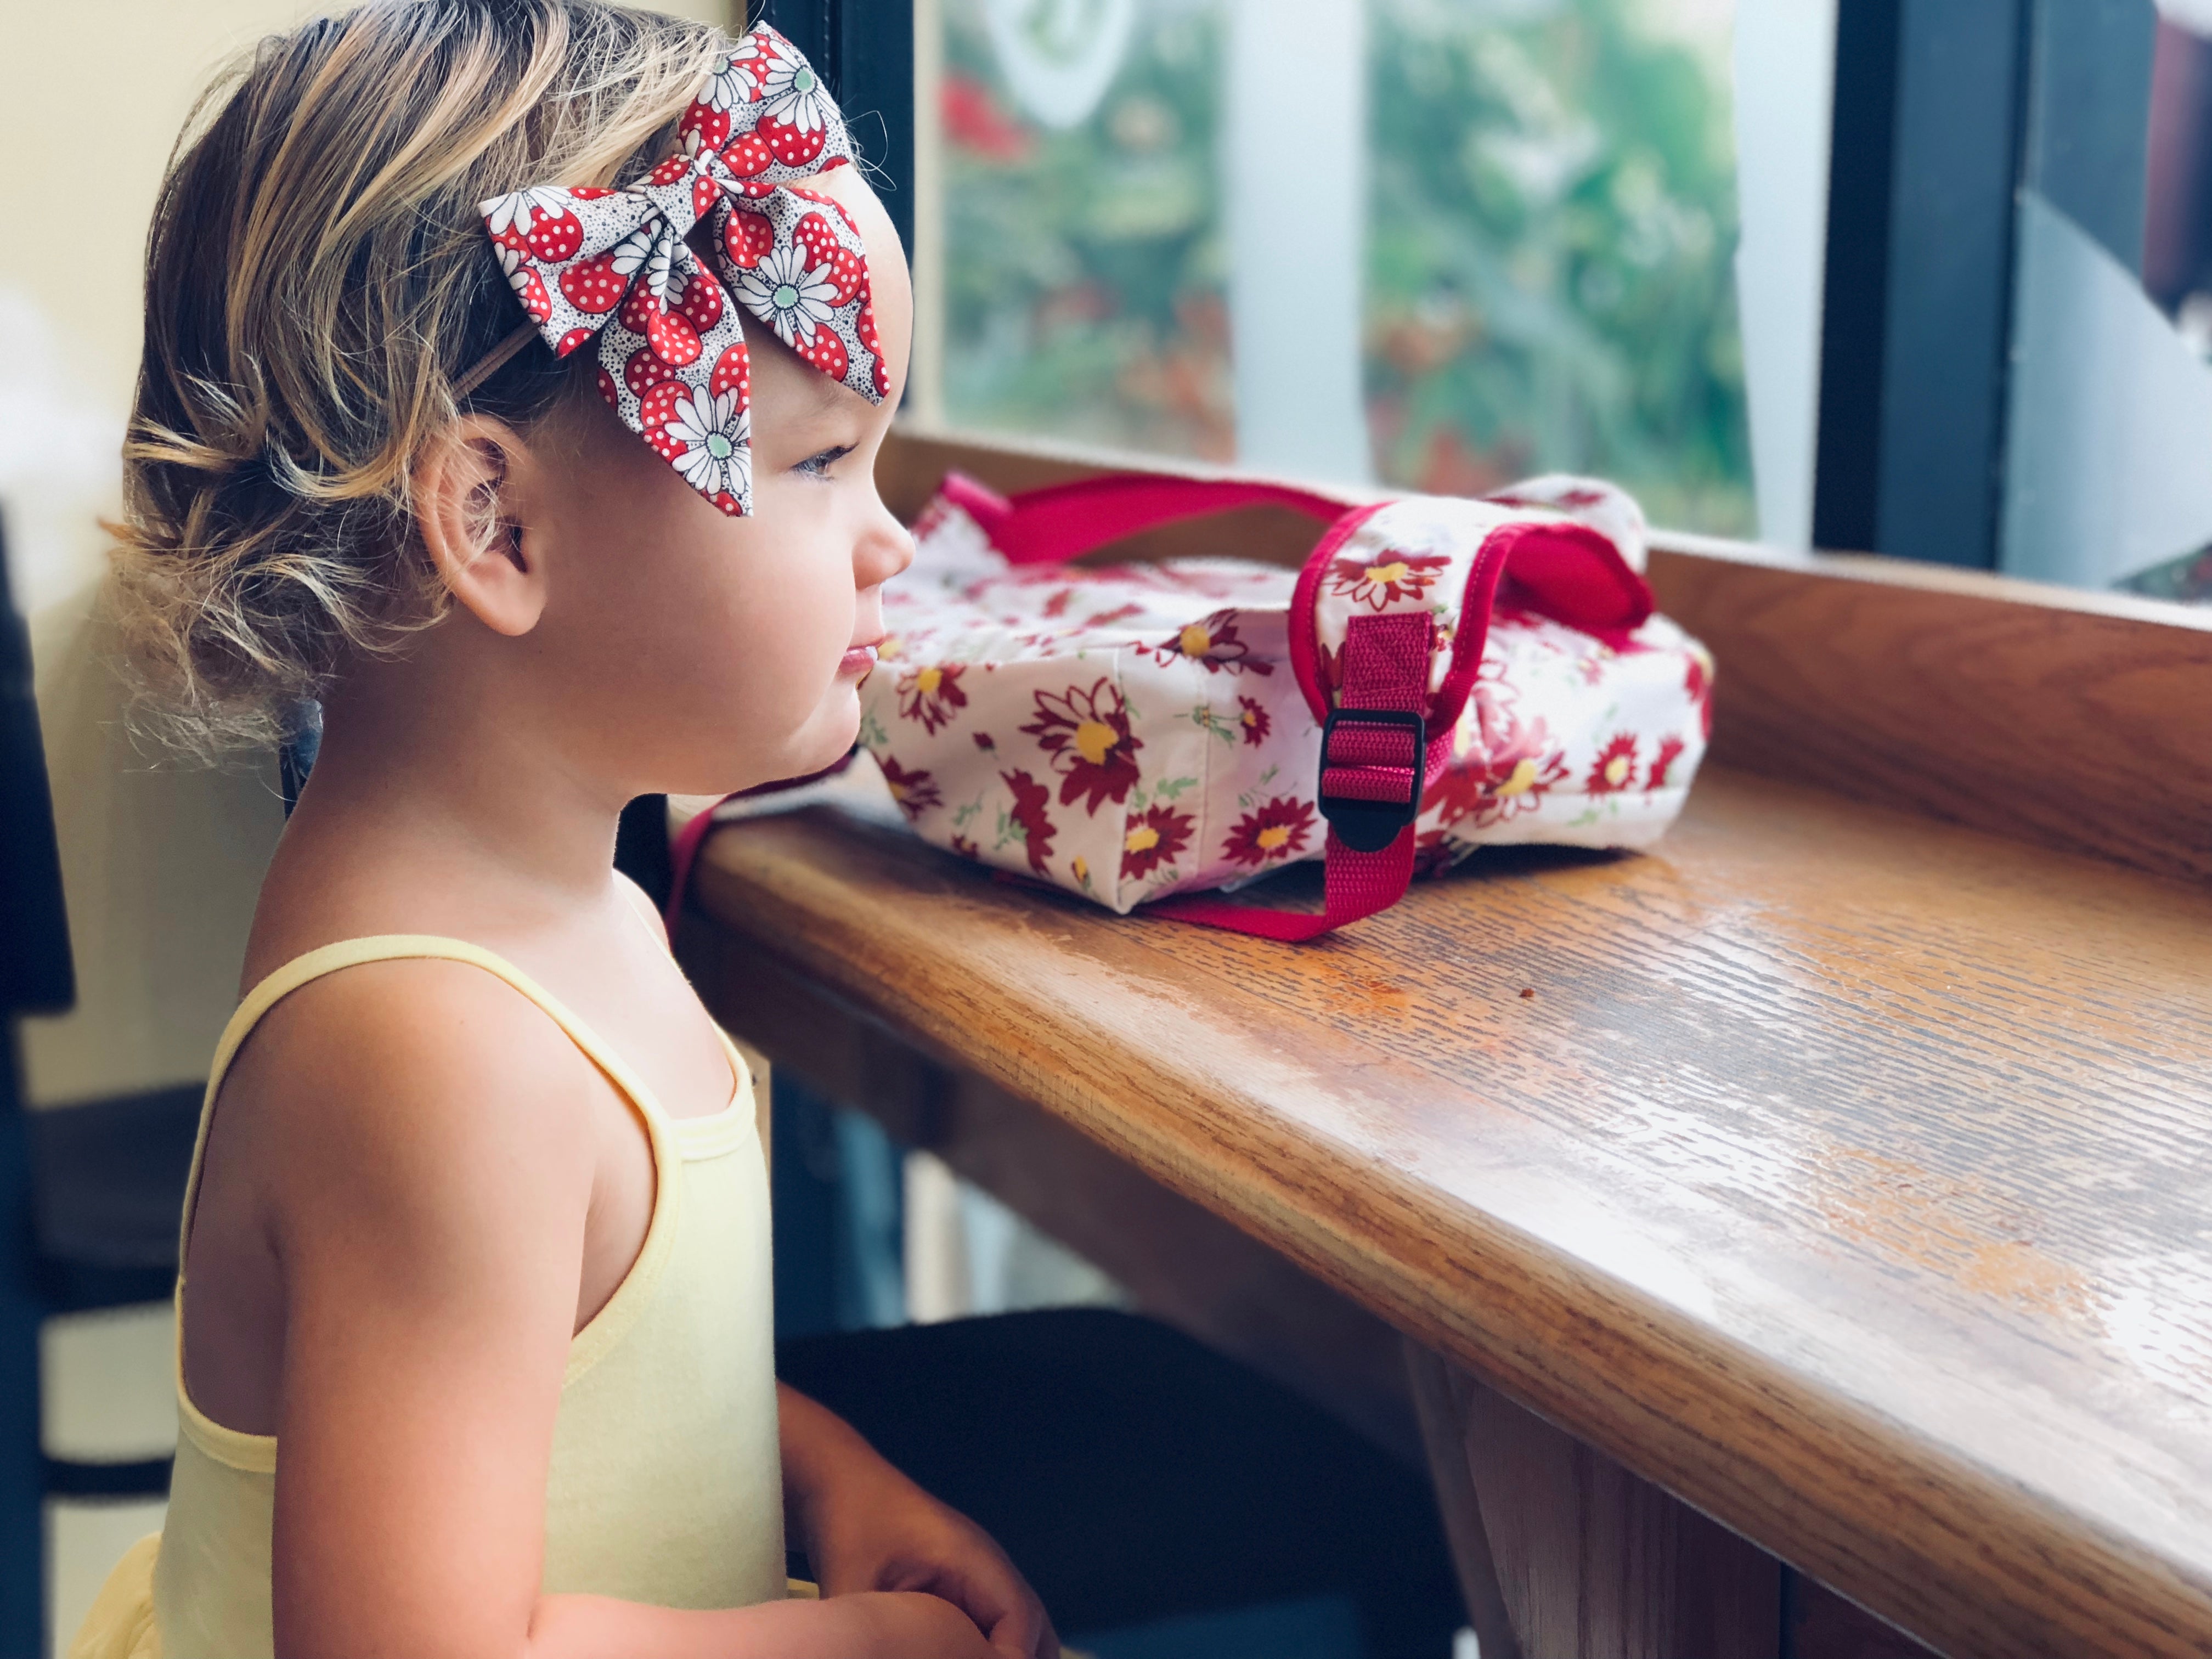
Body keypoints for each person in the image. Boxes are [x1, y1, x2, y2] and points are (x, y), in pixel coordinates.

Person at [71, 5, 1049, 1655]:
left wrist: (826, 1475)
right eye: (822, 460)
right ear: (497, 524)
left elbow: (578, 1367)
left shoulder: (542, 909)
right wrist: (872, 1644)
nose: (893, 541)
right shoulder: (436, 1050)